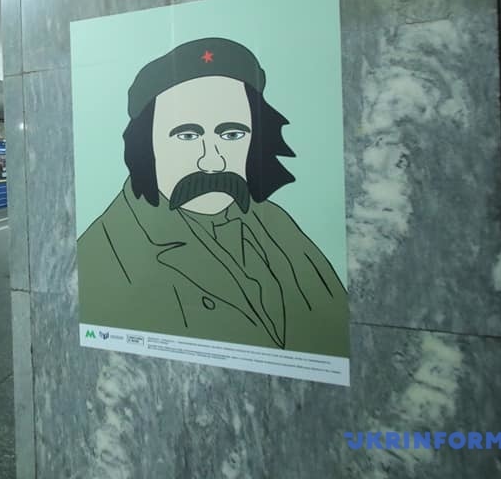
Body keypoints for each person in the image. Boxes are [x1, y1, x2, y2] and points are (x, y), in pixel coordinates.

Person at [77, 37, 349, 357]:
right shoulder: (104, 252)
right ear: (145, 145)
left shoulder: (275, 222)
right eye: (187, 135)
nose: (213, 162)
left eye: (232, 134)